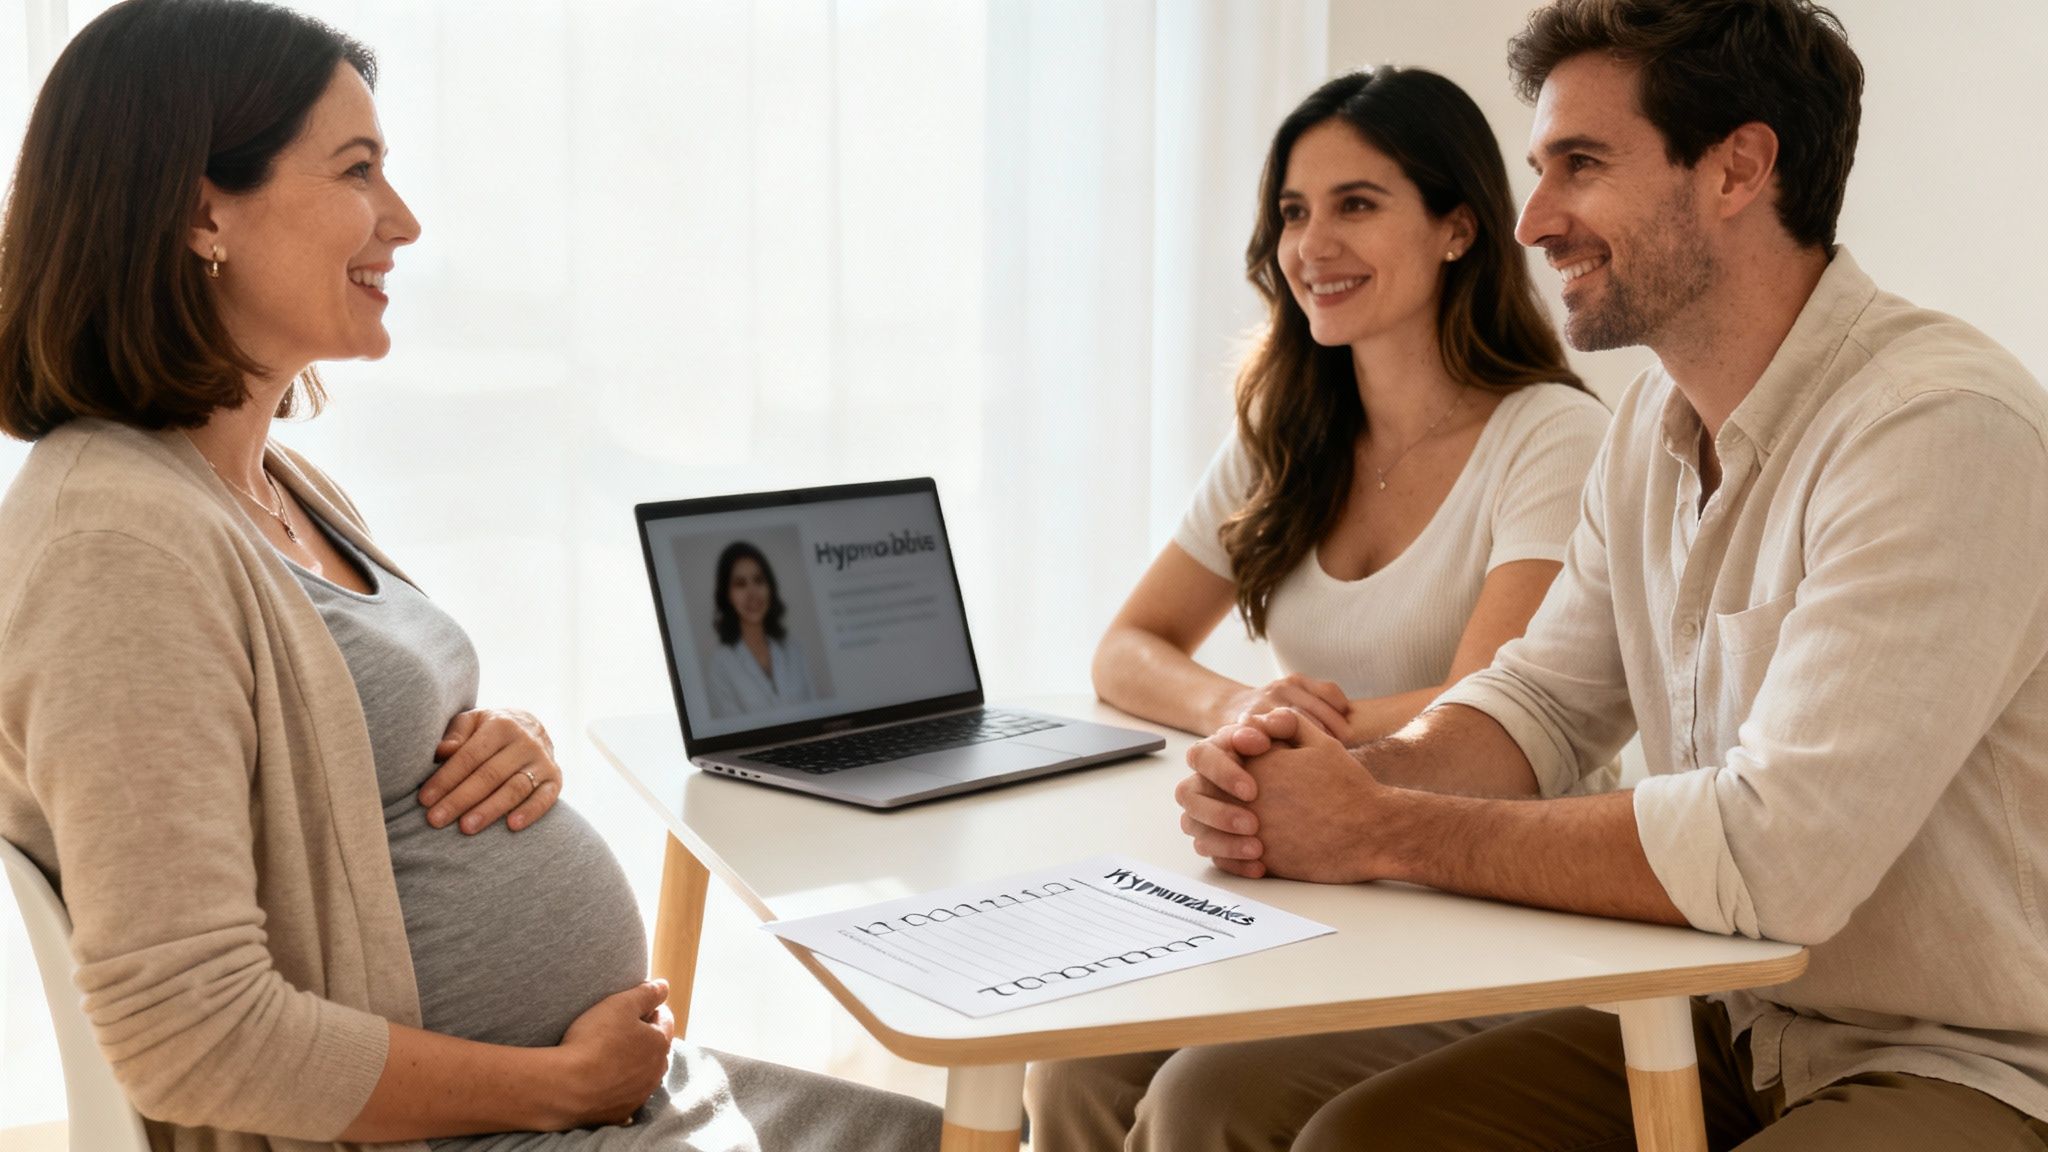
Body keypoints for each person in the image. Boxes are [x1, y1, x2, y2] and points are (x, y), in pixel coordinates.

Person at [0, 2, 939, 1150]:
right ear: (204, 209)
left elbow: (348, 759)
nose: (403, 219)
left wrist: (505, 743)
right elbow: (189, 1029)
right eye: (359, 171)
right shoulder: (114, 547)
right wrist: (557, 1087)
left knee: (993, 1131)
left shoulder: (269, 484)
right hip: (496, 1127)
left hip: (596, 1101)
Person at [1175, 1, 2048, 1149]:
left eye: (1579, 165)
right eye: (1538, 169)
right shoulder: (1646, 427)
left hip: (1963, 1060)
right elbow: (1537, 705)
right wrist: (1324, 785)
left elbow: (1775, 855)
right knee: (1252, 1109)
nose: (1531, 220)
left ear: (1737, 168)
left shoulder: (1938, 429)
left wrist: (1378, 827)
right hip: (1725, 1011)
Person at [1027, 66, 1610, 1151]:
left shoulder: (1547, 436)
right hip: (1313, 867)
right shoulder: (1282, 431)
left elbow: (1488, 707)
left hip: (1494, 886)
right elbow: (1127, 648)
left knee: (1207, 1100)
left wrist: (1278, 737)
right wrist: (1235, 709)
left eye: (1355, 204)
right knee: (1068, 1066)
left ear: (1455, 228)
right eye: (1293, 212)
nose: (1310, 245)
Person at [706, 541, 819, 717]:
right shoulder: (721, 665)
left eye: (759, 580)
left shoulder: (795, 648)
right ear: (727, 595)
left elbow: (816, 712)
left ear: (770, 587)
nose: (753, 593)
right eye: (740, 584)